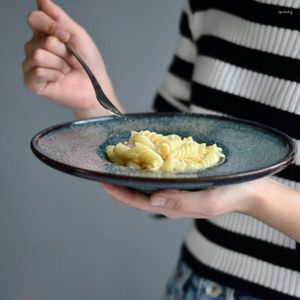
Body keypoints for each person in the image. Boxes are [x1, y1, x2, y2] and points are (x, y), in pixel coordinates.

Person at [23, 0, 300, 299]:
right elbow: (163, 170)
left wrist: (255, 196)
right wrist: (93, 103)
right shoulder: (205, 6)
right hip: (196, 284)